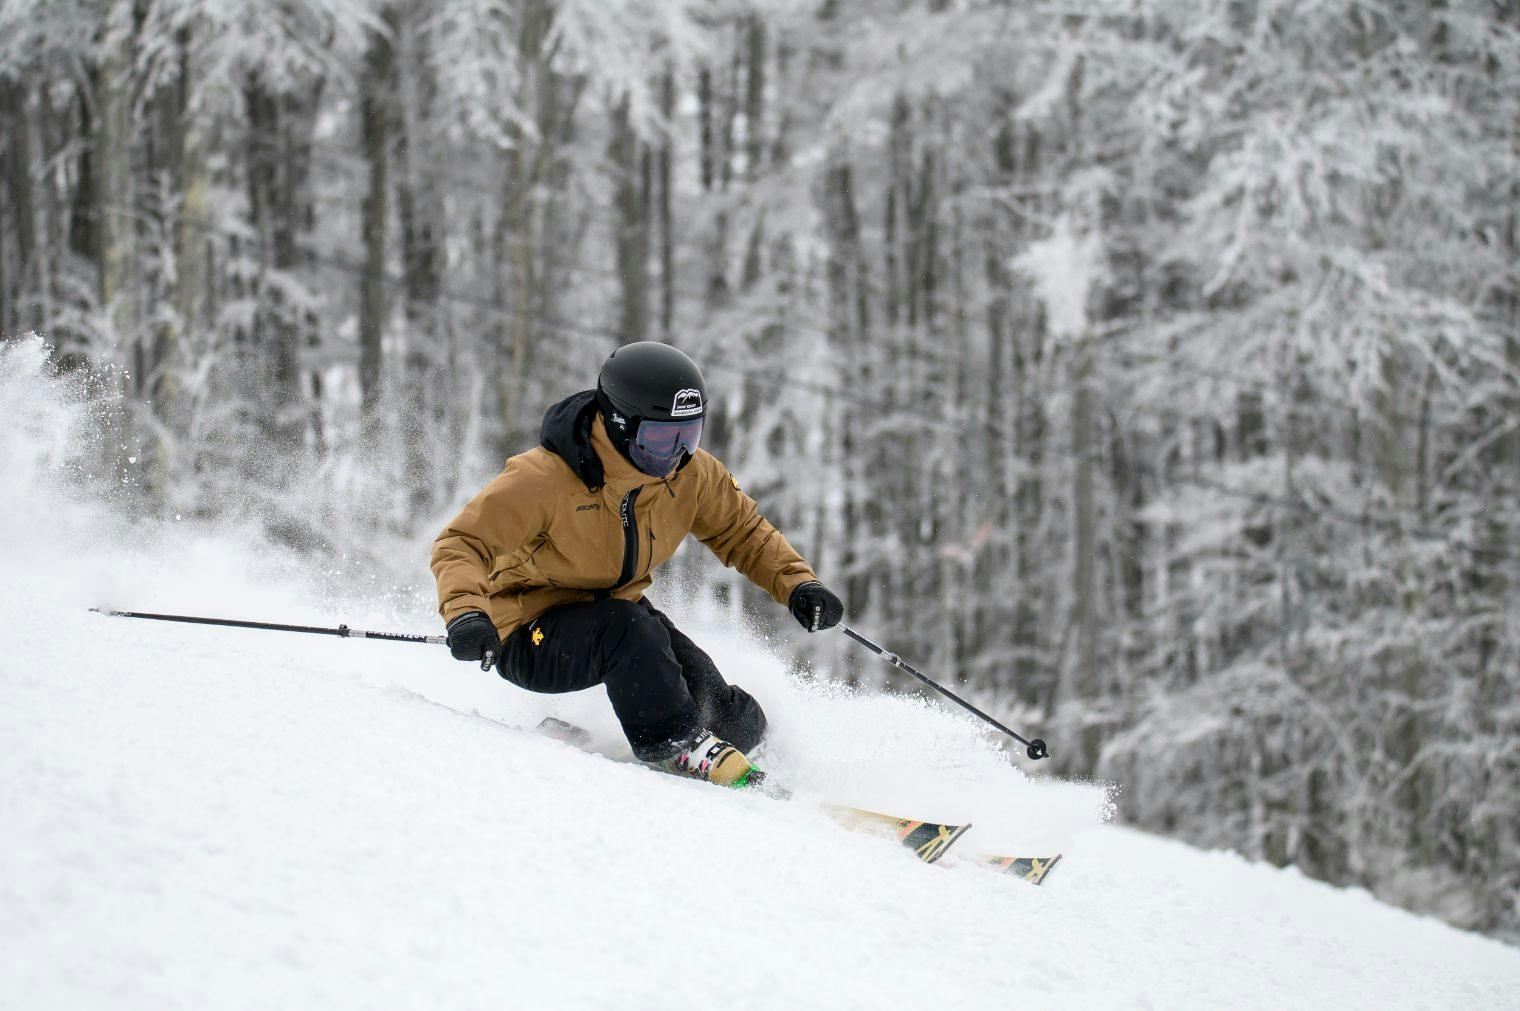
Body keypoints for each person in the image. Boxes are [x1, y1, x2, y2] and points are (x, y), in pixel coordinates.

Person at [431, 342, 844, 787]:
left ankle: (761, 758)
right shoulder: (544, 479)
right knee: (629, 630)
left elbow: (742, 531)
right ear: (618, 425)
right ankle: (678, 748)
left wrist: (799, 585)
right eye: (661, 439)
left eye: (689, 437)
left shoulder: (690, 474)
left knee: (708, 695)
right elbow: (461, 544)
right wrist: (467, 613)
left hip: (620, 620)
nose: (675, 457)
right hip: (527, 631)